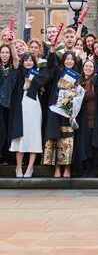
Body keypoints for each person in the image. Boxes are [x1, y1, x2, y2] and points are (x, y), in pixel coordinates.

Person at [3, 38, 50, 178]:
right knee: (20, 136)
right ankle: (18, 167)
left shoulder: (38, 73)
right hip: (20, 105)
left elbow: (49, 70)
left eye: (31, 60)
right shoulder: (19, 72)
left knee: (33, 135)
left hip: (34, 105)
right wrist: (12, 44)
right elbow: (16, 60)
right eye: (26, 60)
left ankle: (30, 168)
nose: (28, 62)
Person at [43, 49, 82, 178]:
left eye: (71, 59)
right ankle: (57, 167)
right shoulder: (57, 72)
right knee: (56, 137)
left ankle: (67, 167)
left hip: (69, 110)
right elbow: (50, 64)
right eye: (67, 59)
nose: (69, 61)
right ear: (63, 61)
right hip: (55, 109)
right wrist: (52, 52)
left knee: (67, 139)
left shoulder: (77, 74)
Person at [72, 59, 98, 177]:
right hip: (82, 118)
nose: (88, 68)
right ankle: (86, 168)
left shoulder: (95, 81)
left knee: (94, 144)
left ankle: (94, 169)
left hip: (95, 118)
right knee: (85, 144)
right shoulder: (78, 83)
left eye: (91, 67)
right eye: (86, 66)